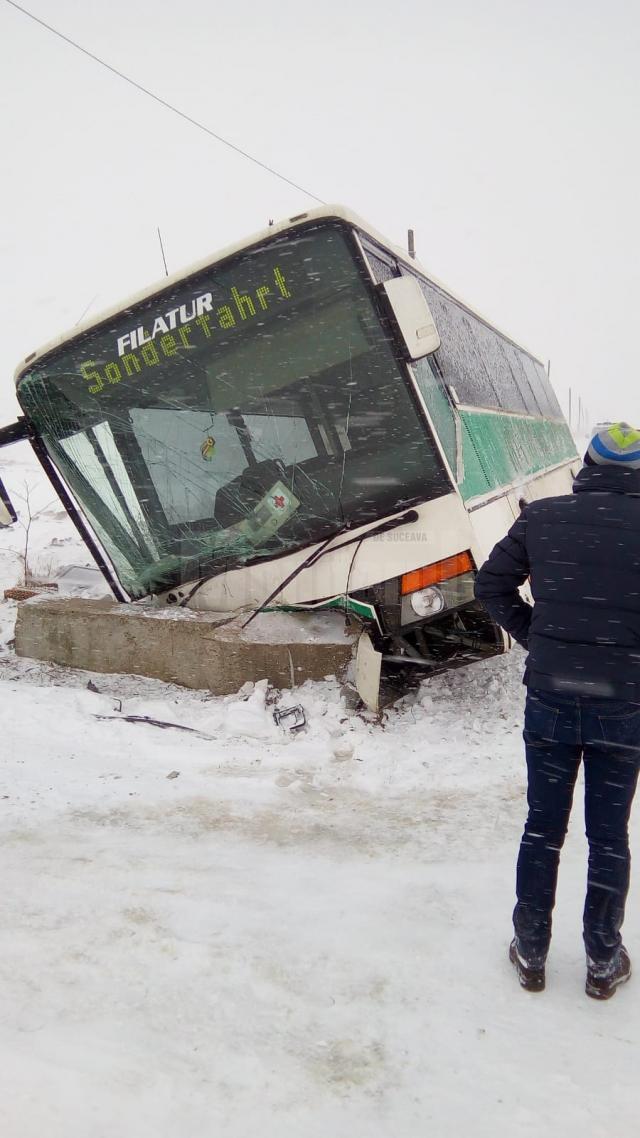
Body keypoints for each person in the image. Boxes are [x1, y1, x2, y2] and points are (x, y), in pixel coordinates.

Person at [474, 423, 640, 999]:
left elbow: (491, 586)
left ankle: (532, 950)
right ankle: (601, 958)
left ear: (587, 467)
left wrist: (536, 638)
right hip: (623, 709)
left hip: (550, 701)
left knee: (542, 828)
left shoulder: (541, 518)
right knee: (608, 836)